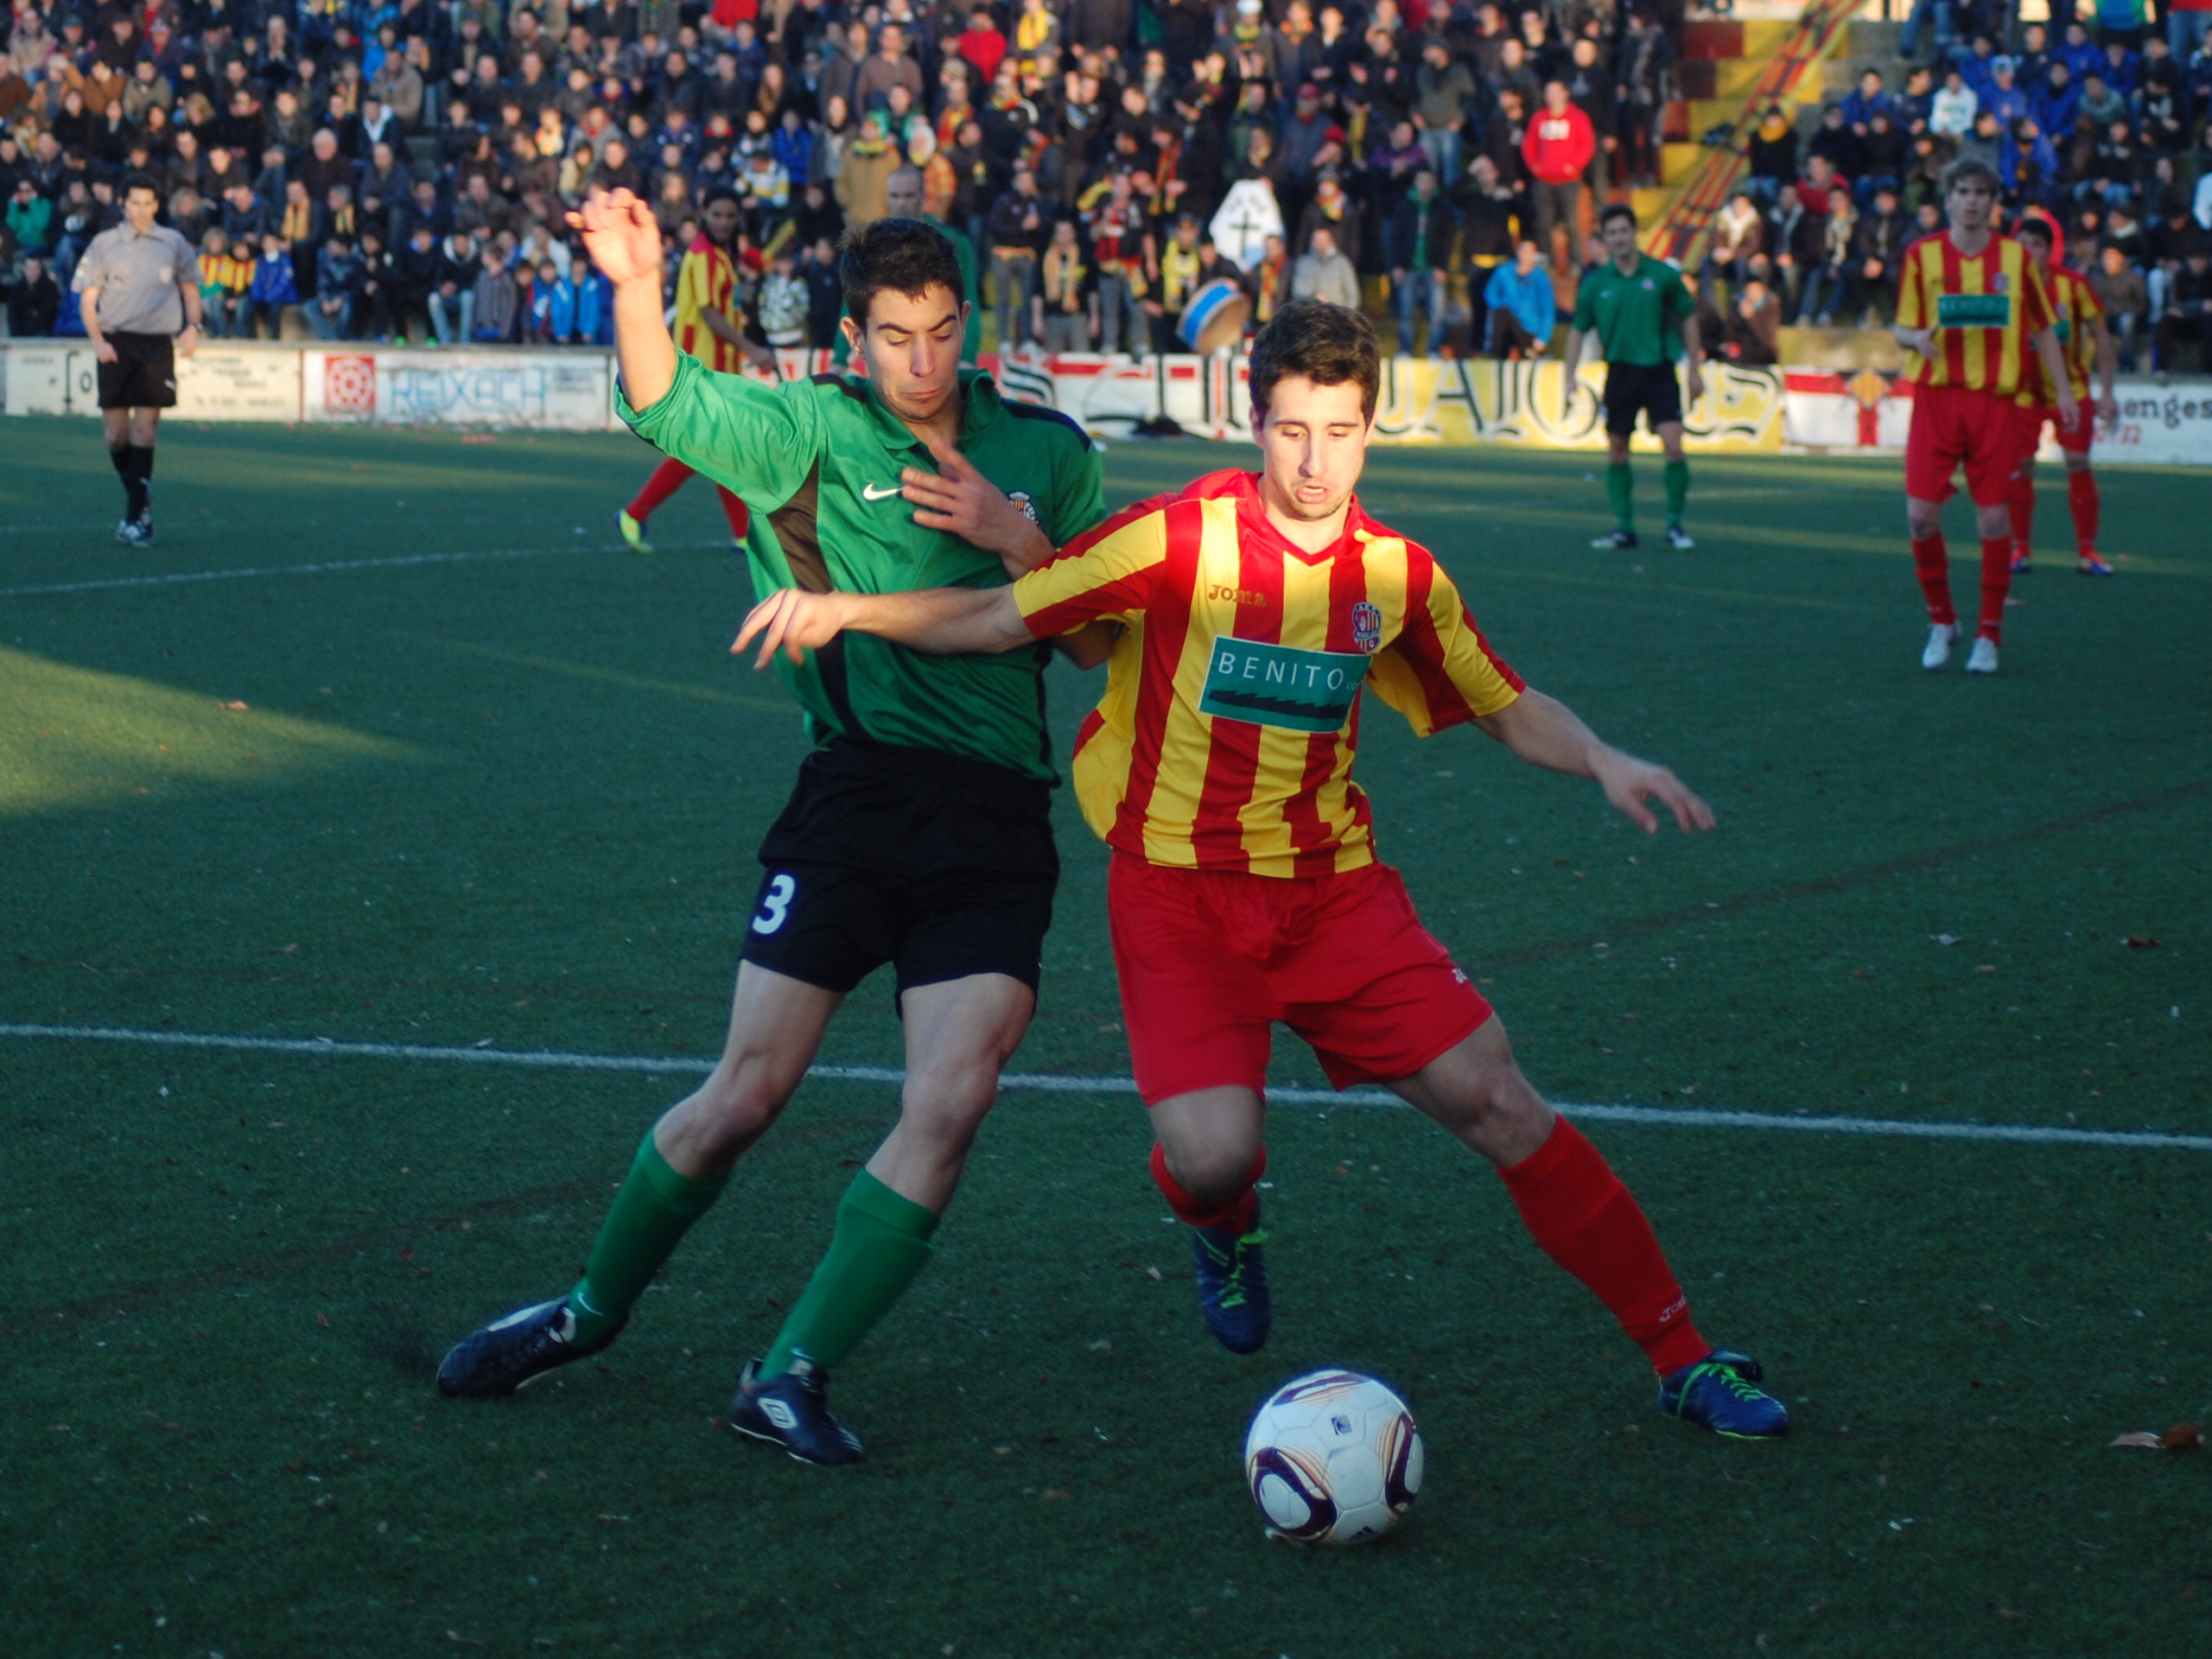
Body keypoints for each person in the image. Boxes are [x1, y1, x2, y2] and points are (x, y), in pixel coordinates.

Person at [732, 300, 1791, 1443]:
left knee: (1500, 1098)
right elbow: (1000, 615)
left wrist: (1601, 758)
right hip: (1178, 900)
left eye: (1338, 432)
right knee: (1212, 1154)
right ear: (1255, 421)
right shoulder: (1176, 540)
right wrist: (849, 608)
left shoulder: (1397, 577)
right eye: (1292, 430)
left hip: (1334, 896)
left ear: (1370, 429)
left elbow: (1503, 701)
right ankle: (1224, 1222)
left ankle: (1684, 1356)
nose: (1315, 459)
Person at [437, 196, 1111, 1467]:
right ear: (853, 337)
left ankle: (788, 1372)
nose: (923, 361)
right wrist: (637, 285)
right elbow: (664, 403)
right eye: (896, 336)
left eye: (944, 330)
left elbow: (1084, 639)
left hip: (992, 820)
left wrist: (1021, 538)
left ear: (972, 322)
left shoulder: (1048, 451)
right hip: (852, 798)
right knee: (745, 1096)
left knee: (953, 1100)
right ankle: (584, 1313)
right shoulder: (803, 432)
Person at [1891, 159, 2076, 676]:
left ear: (1993, 203)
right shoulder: (1921, 255)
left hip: (1995, 402)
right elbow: (1901, 328)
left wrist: (2063, 392)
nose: (1971, 200)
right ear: (1948, 199)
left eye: (1980, 192)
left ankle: (1988, 635)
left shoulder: (2015, 258)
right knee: (1919, 516)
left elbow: (2042, 329)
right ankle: (1942, 620)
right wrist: (1917, 339)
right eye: (1962, 191)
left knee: (1995, 520)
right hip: (1936, 399)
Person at [614, 189, 772, 555]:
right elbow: (708, 314)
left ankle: (740, 534)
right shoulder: (703, 256)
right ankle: (635, 513)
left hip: (717, 367)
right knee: (711, 450)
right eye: (717, 213)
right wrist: (753, 349)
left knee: (719, 450)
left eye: (731, 216)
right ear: (704, 213)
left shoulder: (719, 256)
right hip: (702, 367)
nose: (724, 221)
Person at [1560, 203, 1705, 552]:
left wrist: (1695, 371)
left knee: (1673, 443)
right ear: (1606, 240)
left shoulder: (1663, 276)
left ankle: (1674, 524)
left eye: (1624, 231)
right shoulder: (1596, 284)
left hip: (1659, 370)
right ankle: (1625, 528)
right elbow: (1578, 331)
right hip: (1620, 373)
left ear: (1634, 233)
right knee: (1618, 450)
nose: (1619, 238)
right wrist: (1569, 378)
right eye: (1612, 233)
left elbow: (1688, 317)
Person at [72, 173, 202, 546]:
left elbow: (191, 290)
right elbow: (87, 299)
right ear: (122, 204)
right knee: (116, 437)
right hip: (115, 343)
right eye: (135, 203)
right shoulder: (104, 244)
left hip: (156, 344)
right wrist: (97, 341)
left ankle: (135, 520)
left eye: (148, 203)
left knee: (146, 431)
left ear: (157, 206)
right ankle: (140, 494)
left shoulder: (173, 243)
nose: (142, 210)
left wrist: (193, 326)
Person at [2008, 217, 2117, 579]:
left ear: (2049, 250)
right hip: (2022, 394)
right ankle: (2019, 548)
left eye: (2037, 244)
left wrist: (2107, 393)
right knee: (2021, 466)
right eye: (2023, 243)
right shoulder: (2005, 288)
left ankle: (2088, 551)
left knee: (2078, 462)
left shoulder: (2073, 285)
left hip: (2071, 390)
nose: (2029, 251)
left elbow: (2101, 335)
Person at [1484, 238, 1555, 358]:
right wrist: (1502, 303)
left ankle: (1531, 352)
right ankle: (1494, 353)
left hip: (1530, 327)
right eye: (1523, 251)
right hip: (1508, 323)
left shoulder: (1541, 278)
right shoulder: (1504, 271)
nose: (1525, 256)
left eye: (1529, 252)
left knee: (1530, 350)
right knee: (1501, 314)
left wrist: (1543, 337)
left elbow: (1548, 309)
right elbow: (1490, 293)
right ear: (1517, 252)